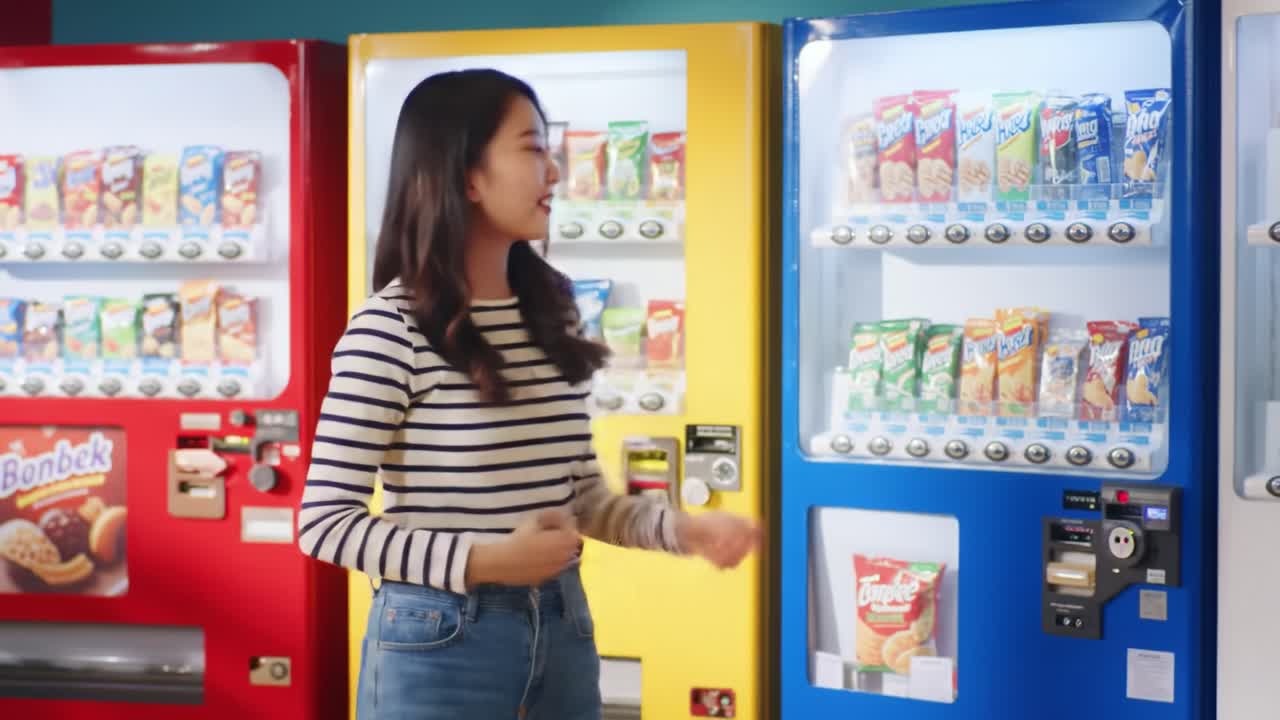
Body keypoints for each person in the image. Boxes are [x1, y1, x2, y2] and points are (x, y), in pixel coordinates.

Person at [297, 68, 762, 720]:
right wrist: (485, 561)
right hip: (439, 642)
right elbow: (324, 526)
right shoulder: (390, 329)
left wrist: (683, 530)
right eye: (532, 147)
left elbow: (582, 500)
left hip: (564, 625)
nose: (554, 172)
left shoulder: (552, 309)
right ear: (467, 175)